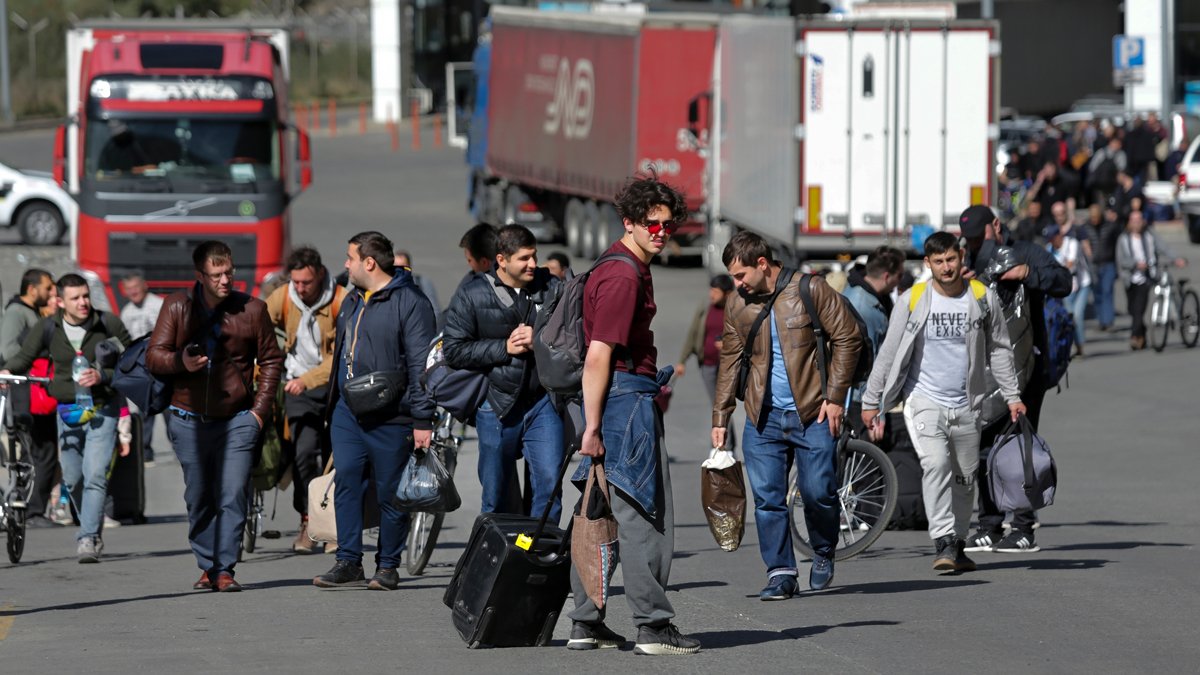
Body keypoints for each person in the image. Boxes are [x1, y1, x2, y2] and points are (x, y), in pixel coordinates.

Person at [568, 175, 700, 655]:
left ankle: (586, 623)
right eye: (652, 224)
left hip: (615, 402)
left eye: (669, 225)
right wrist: (594, 427)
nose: (662, 232)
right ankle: (653, 627)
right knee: (645, 515)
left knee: (595, 514)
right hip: (623, 404)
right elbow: (599, 354)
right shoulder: (624, 275)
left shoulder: (619, 264)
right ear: (629, 221)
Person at [861, 232, 1026, 573]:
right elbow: (889, 353)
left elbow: (999, 349)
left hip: (968, 403)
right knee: (936, 463)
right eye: (939, 262)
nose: (946, 267)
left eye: (951, 259)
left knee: (965, 478)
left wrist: (1012, 396)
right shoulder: (913, 299)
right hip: (924, 399)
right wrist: (871, 400)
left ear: (960, 257)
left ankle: (959, 541)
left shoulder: (981, 297)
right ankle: (942, 540)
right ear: (928, 264)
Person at [712, 231, 862, 601]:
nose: (736, 284)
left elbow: (848, 336)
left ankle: (823, 550)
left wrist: (836, 397)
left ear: (762, 264)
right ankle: (781, 572)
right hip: (762, 416)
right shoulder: (737, 304)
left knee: (818, 493)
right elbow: (730, 360)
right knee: (767, 499)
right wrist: (720, 417)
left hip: (813, 412)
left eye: (740, 275)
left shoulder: (809, 290)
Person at [146, 241, 284, 592]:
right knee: (200, 495)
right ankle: (207, 564)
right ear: (200, 276)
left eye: (229, 273)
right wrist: (181, 362)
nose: (225, 280)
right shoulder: (177, 306)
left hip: (238, 418)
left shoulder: (252, 309)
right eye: (216, 275)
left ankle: (224, 569)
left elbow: (271, 360)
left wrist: (259, 411)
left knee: (232, 492)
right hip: (187, 418)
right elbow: (154, 356)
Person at [313, 232, 435, 591]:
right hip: (348, 412)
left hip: (392, 414)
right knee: (347, 480)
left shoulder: (411, 302)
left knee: (389, 492)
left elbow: (421, 364)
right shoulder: (352, 299)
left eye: (350, 258)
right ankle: (348, 560)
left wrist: (422, 418)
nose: (346, 264)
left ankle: (387, 565)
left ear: (369, 262)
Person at [958, 205, 1071, 553]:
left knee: (1018, 445)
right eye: (971, 239)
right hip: (982, 370)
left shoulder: (1025, 252)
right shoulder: (968, 259)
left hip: (1026, 369)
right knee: (982, 448)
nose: (976, 243)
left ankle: (1023, 527)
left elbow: (1064, 281)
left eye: (980, 236)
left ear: (995, 225)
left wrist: (1028, 273)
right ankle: (990, 525)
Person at [2, 274, 132, 563]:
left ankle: (88, 537)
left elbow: (135, 358)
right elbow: (23, 357)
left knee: (96, 474)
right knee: (73, 480)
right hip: (67, 411)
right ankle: (90, 523)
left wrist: (103, 375)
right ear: (60, 301)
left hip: (103, 408)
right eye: (75, 298)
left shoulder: (107, 322)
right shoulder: (48, 326)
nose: (83, 302)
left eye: (85, 296)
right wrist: (7, 372)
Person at [443, 224, 564, 519]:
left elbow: (575, 335)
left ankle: (536, 555)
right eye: (524, 258)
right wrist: (503, 348)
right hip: (496, 406)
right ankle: (495, 558)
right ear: (501, 260)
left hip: (543, 404)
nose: (533, 264)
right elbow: (454, 351)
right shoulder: (471, 294)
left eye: (534, 256)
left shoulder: (552, 288)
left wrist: (538, 339)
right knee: (495, 498)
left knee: (549, 487)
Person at [266, 247, 347, 554]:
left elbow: (340, 355)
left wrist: (308, 380)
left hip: (331, 386)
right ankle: (307, 520)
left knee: (334, 458)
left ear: (321, 275)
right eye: (296, 282)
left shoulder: (340, 299)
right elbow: (258, 327)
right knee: (303, 455)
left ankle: (331, 527)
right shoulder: (285, 297)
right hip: (296, 388)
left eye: (306, 283)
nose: (300, 288)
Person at [0, 269, 60, 528]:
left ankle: (33, 509)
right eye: (47, 288)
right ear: (32, 289)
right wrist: (39, 346)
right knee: (37, 451)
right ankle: (33, 512)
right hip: (25, 394)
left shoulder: (33, 313)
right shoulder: (17, 313)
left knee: (43, 451)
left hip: (37, 392)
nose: (50, 294)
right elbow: (8, 350)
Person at [674, 274, 735, 449]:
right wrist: (682, 361)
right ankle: (726, 446)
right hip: (707, 365)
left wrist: (728, 344)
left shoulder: (735, 310)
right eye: (711, 290)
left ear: (728, 293)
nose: (712, 295)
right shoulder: (705, 309)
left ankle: (723, 446)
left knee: (721, 405)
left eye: (716, 291)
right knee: (719, 404)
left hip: (728, 367)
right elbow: (693, 334)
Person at [1117, 210, 1187, 351]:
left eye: (1139, 220)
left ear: (1143, 221)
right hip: (1130, 278)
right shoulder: (1123, 239)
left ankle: (1135, 337)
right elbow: (1121, 260)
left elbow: (1163, 247)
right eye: (1134, 221)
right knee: (1132, 309)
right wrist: (1135, 264)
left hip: (1147, 276)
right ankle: (1141, 335)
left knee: (1139, 309)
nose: (1136, 223)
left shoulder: (1149, 235)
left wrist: (1176, 259)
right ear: (1129, 223)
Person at [118, 273, 165, 464]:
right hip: (142, 367)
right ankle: (145, 450)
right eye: (129, 289)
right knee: (145, 409)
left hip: (163, 364)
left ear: (144, 285)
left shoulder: (159, 305)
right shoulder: (127, 312)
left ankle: (180, 446)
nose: (133, 292)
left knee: (170, 408)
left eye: (136, 287)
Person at [1046, 224, 1091, 358]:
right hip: (1066, 288)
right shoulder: (1049, 249)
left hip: (1082, 283)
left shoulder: (1072, 244)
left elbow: (1070, 265)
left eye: (1053, 238)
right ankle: (1072, 345)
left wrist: (1055, 272)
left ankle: (1080, 345)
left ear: (1059, 236)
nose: (1051, 242)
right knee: (1069, 316)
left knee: (1077, 314)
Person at [1092, 206, 1124, 332]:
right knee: (1097, 293)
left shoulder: (1111, 227)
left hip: (1108, 263)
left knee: (1107, 291)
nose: (1094, 220)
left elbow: (1119, 242)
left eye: (1096, 218)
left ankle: (1108, 321)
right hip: (1094, 264)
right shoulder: (1087, 227)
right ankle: (1101, 320)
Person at [394, 250, 442, 326]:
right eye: (395, 267)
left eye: (403, 267)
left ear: (409, 267)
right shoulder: (387, 287)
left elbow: (435, 310)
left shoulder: (422, 283)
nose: (399, 270)